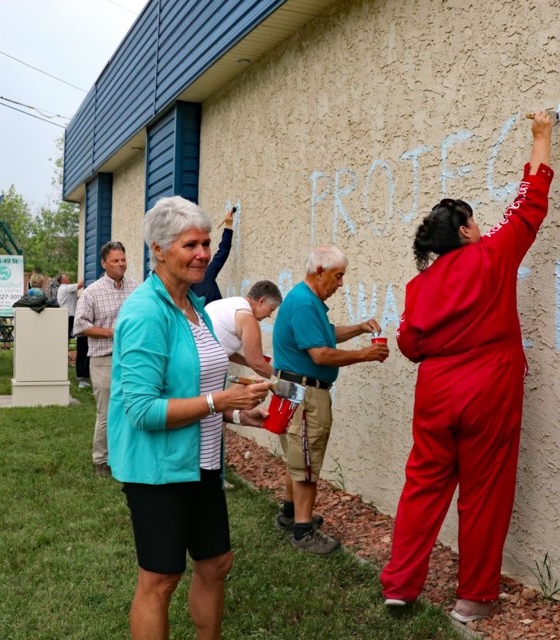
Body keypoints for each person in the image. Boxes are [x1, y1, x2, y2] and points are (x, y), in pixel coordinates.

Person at [380, 112, 555, 622]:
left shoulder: (419, 287)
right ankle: (473, 598)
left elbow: (410, 344)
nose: (482, 228)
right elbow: (529, 204)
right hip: (489, 391)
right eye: (475, 222)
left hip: (436, 395)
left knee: (423, 485)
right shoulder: (491, 255)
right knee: (484, 491)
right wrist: (541, 136)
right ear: (463, 230)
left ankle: (400, 586)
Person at [109, 195, 272, 640]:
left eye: (205, 242)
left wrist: (238, 414)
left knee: (216, 563)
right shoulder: (145, 312)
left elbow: (199, 391)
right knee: (159, 579)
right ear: (159, 250)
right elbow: (141, 410)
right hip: (158, 469)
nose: (203, 253)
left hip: (201, 463)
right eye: (190, 245)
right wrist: (219, 403)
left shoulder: (194, 306)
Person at [271, 244, 389, 554]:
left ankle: (288, 515)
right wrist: (365, 354)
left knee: (297, 458)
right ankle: (303, 531)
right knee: (307, 463)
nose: (340, 284)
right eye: (337, 277)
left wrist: (359, 328)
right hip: (306, 394)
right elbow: (320, 354)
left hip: (293, 390)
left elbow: (326, 334)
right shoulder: (303, 304)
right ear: (319, 271)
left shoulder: (306, 300)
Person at [73, 241, 137, 477]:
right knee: (107, 411)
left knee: (132, 408)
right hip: (104, 359)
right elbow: (80, 325)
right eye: (115, 261)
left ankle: (126, 454)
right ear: (104, 263)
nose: (121, 264)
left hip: (132, 359)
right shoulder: (92, 292)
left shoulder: (135, 287)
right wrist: (113, 333)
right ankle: (102, 461)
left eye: (123, 259)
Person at [204, 280, 282, 378]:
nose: (269, 315)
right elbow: (258, 364)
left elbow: (223, 348)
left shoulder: (228, 304)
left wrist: (248, 361)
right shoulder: (247, 317)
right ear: (261, 301)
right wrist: (282, 382)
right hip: (203, 372)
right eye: (271, 309)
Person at [190, 205, 235, 304]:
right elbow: (222, 253)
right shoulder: (205, 276)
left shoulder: (182, 297)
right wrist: (228, 226)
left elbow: (222, 254)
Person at [56, 274, 89, 388]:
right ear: (62, 280)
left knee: (65, 341)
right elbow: (81, 284)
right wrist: (88, 275)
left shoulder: (62, 289)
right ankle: (62, 362)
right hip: (69, 316)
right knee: (67, 341)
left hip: (65, 315)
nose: (68, 278)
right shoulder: (66, 287)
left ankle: (61, 363)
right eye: (66, 276)